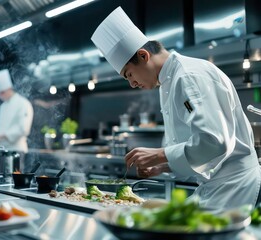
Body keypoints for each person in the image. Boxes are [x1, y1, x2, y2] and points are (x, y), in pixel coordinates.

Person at [91, 6, 261, 210]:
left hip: (235, 188)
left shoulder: (188, 76)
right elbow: (200, 150)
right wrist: (163, 166)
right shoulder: (168, 82)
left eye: (129, 74)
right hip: (215, 187)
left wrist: (159, 154)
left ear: (144, 56)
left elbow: (214, 141)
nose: (132, 84)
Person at [0, 69, 34, 153]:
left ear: (9, 89)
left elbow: (23, 129)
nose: (0, 96)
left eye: (2, 93)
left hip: (17, 150)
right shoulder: (3, 106)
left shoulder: (23, 103)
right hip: (2, 149)